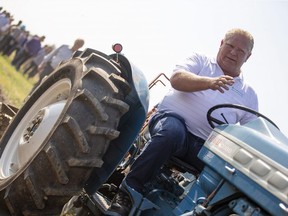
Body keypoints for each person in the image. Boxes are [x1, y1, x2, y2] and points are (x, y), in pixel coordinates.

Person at [109, 28, 258, 215]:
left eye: (241, 51)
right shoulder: (201, 61)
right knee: (171, 133)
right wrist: (210, 83)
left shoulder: (248, 94)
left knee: (228, 177)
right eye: (230, 45)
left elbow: (253, 130)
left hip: (205, 148)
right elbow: (177, 79)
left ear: (248, 56)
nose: (234, 52)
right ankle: (127, 192)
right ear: (221, 44)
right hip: (171, 122)